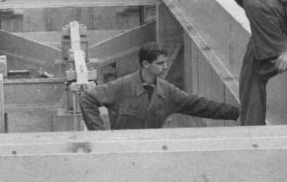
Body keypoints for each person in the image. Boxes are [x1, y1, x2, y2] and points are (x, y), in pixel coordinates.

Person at [78, 42, 239, 131]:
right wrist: (100, 135)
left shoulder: (167, 91)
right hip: (124, 154)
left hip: (152, 154)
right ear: (146, 64)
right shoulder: (122, 86)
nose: (165, 67)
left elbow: (197, 104)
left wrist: (235, 112)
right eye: (160, 63)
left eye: (165, 62)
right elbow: (88, 98)